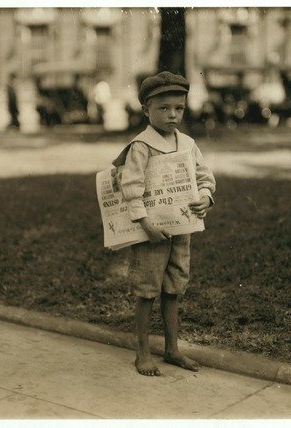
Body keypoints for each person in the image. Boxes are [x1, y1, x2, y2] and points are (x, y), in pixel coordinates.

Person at [111, 71, 216, 376]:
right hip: (151, 232)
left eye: (179, 108)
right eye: (163, 108)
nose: (172, 115)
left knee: (174, 287)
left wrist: (206, 197)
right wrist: (144, 222)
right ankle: (142, 351)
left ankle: (172, 349)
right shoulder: (141, 146)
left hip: (181, 229)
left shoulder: (187, 143)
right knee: (147, 290)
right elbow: (131, 186)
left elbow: (204, 176)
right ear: (146, 110)